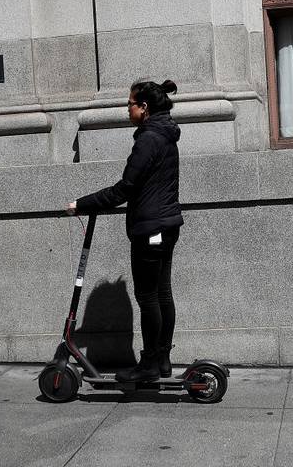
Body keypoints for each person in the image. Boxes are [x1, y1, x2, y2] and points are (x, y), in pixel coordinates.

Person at [67, 79, 183, 382]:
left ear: (143, 108)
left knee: (148, 297)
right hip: (167, 226)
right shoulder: (165, 135)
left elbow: (124, 190)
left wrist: (83, 202)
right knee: (162, 294)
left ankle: (149, 365)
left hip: (151, 229)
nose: (126, 109)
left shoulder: (149, 140)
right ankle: (162, 360)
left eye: (129, 103)